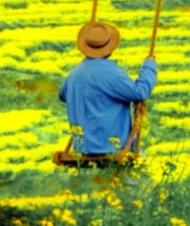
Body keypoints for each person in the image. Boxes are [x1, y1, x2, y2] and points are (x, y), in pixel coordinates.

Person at [58, 21, 157, 157]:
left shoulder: (75, 72)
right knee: (140, 175)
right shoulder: (109, 72)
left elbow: (63, 95)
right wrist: (149, 66)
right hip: (112, 148)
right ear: (110, 47)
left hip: (84, 149)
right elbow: (140, 92)